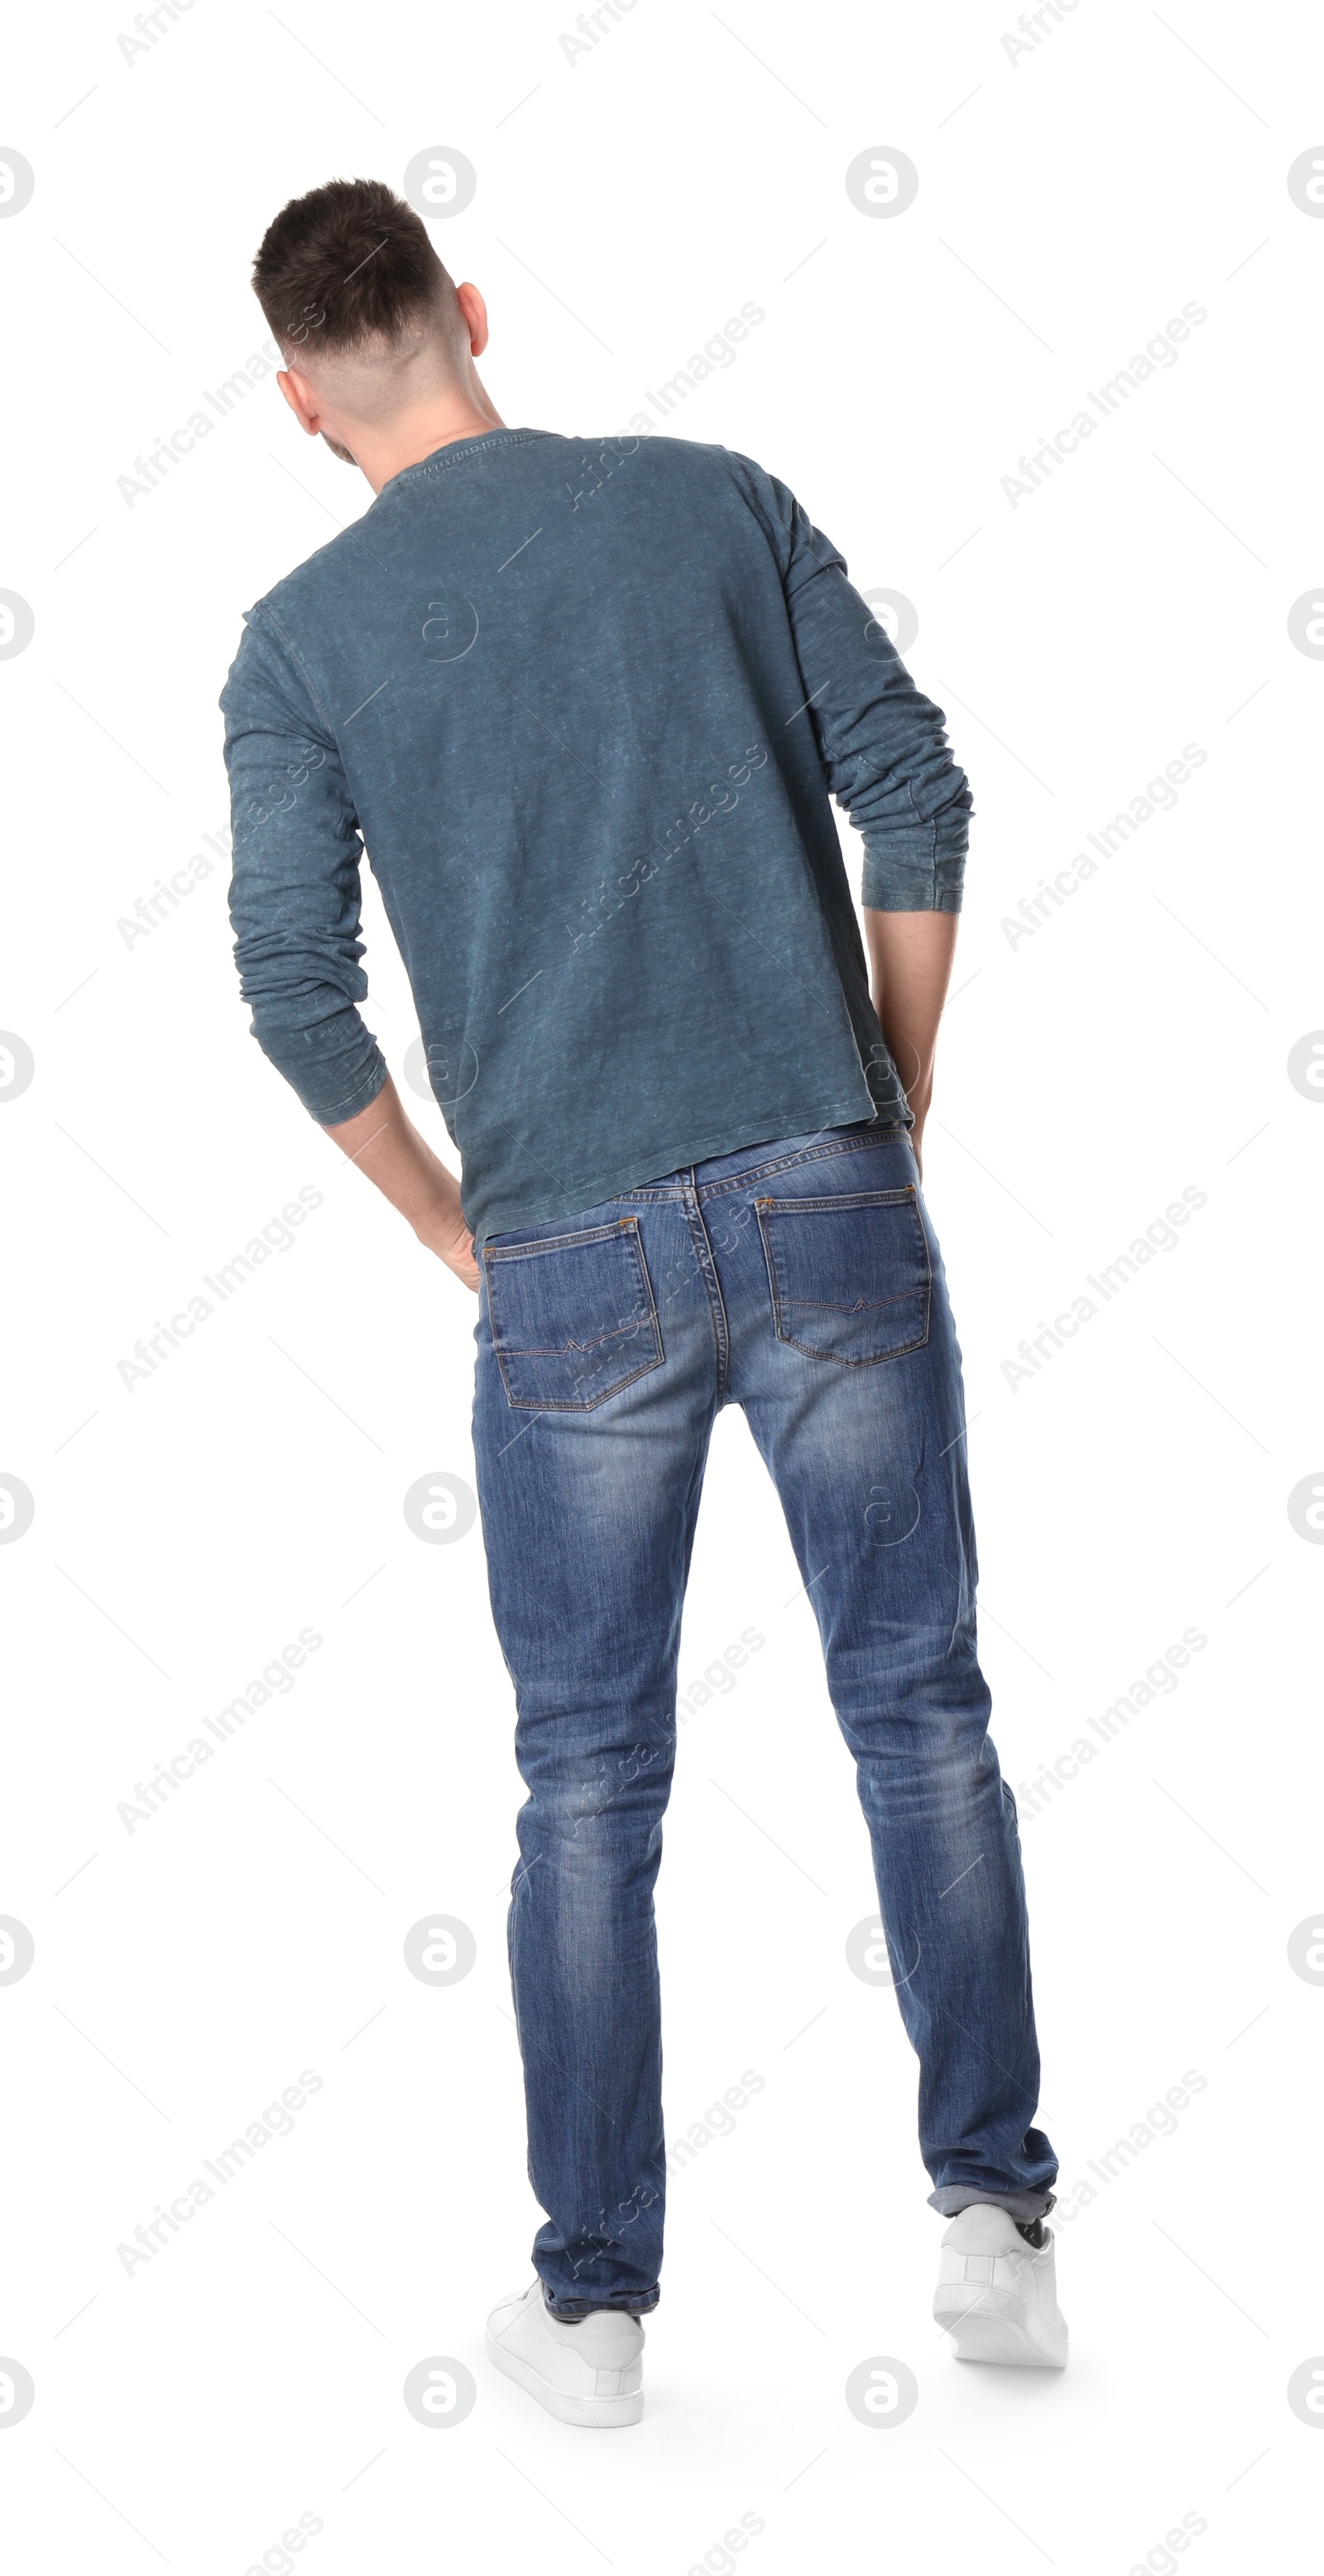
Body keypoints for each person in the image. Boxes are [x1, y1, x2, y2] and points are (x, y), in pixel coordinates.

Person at [223, 176, 1067, 2426]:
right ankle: (995, 2221)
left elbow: (295, 997)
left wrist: (440, 1222)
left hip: (566, 1257)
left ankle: (592, 2314)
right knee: (925, 1709)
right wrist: (888, 1093)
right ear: (472, 309)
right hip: (824, 1187)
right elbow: (917, 780)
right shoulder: (707, 500)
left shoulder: (301, 644)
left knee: (587, 1779)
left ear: (300, 401)